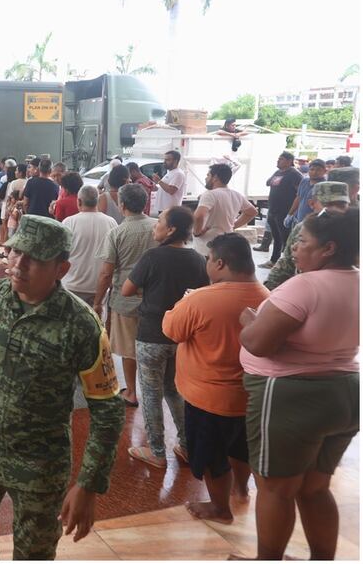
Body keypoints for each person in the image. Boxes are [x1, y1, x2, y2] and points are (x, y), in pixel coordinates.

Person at [0, 214, 124, 560]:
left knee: (33, 554)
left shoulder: (81, 325)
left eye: (34, 257)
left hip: (41, 464)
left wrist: (87, 485)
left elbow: (108, 411)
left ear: (61, 268)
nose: (19, 264)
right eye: (15, 252)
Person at [238, 209, 359, 561]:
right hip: (346, 392)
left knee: (276, 489)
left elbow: (259, 343)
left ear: (329, 248)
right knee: (315, 487)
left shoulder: (305, 285)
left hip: (292, 397)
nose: (294, 249)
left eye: (302, 242)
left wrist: (248, 320)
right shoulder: (357, 280)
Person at [162, 233, 268, 523]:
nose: (207, 264)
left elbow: (172, 330)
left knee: (211, 457)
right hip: (250, 395)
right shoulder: (268, 297)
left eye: (209, 259)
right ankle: (241, 489)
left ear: (220, 263)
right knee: (241, 447)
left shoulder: (201, 299)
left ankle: (220, 509)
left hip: (209, 398)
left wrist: (183, 302)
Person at [122, 206, 209, 468]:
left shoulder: (152, 257)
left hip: (151, 334)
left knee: (150, 393)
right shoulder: (198, 259)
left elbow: (127, 290)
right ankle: (186, 446)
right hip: (181, 338)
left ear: (171, 229)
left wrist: (149, 294)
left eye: (159, 222)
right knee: (174, 390)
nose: (154, 226)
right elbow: (202, 295)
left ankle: (157, 452)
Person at [94, 183, 157, 407]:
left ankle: (131, 391)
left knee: (130, 349)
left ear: (122, 206)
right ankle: (154, 391)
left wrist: (98, 302)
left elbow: (106, 273)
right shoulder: (159, 227)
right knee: (154, 347)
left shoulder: (117, 233)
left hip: (125, 300)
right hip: (157, 300)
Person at [267, 180, 351, 290]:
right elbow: (287, 263)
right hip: (306, 291)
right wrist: (268, 291)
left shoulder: (354, 229)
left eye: (341, 205)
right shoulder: (302, 228)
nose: (335, 209)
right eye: (328, 205)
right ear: (312, 203)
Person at [62, 185, 118, 305]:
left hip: (72, 285)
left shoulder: (69, 222)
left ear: (79, 201)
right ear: (97, 201)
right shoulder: (111, 222)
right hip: (99, 288)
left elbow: (60, 255)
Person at [192, 163, 258, 255]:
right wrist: (233, 226)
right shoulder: (237, 195)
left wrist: (197, 232)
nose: (206, 178)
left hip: (206, 248)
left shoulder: (210, 194)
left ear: (215, 178)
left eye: (208, 175)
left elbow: (199, 215)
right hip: (225, 245)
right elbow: (252, 212)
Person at [261, 151, 303, 269]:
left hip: (284, 211)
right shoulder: (278, 172)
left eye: (281, 159)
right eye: (278, 159)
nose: (278, 161)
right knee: (276, 237)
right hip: (273, 209)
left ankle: (287, 264)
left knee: (286, 238)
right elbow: (268, 182)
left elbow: (299, 193)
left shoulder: (295, 174)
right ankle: (274, 260)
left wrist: (292, 212)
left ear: (289, 161)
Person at [288, 158, 327, 225]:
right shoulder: (304, 181)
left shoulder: (325, 186)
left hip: (313, 224)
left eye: (318, 170)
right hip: (298, 220)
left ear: (324, 171)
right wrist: (289, 214)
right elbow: (298, 198)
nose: (314, 172)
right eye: (312, 169)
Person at [150, 150, 186, 216]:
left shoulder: (178, 173)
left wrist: (159, 181)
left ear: (175, 161)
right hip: (164, 209)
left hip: (170, 210)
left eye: (167, 160)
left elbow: (171, 190)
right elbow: (164, 188)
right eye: (164, 159)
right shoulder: (170, 172)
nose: (164, 162)